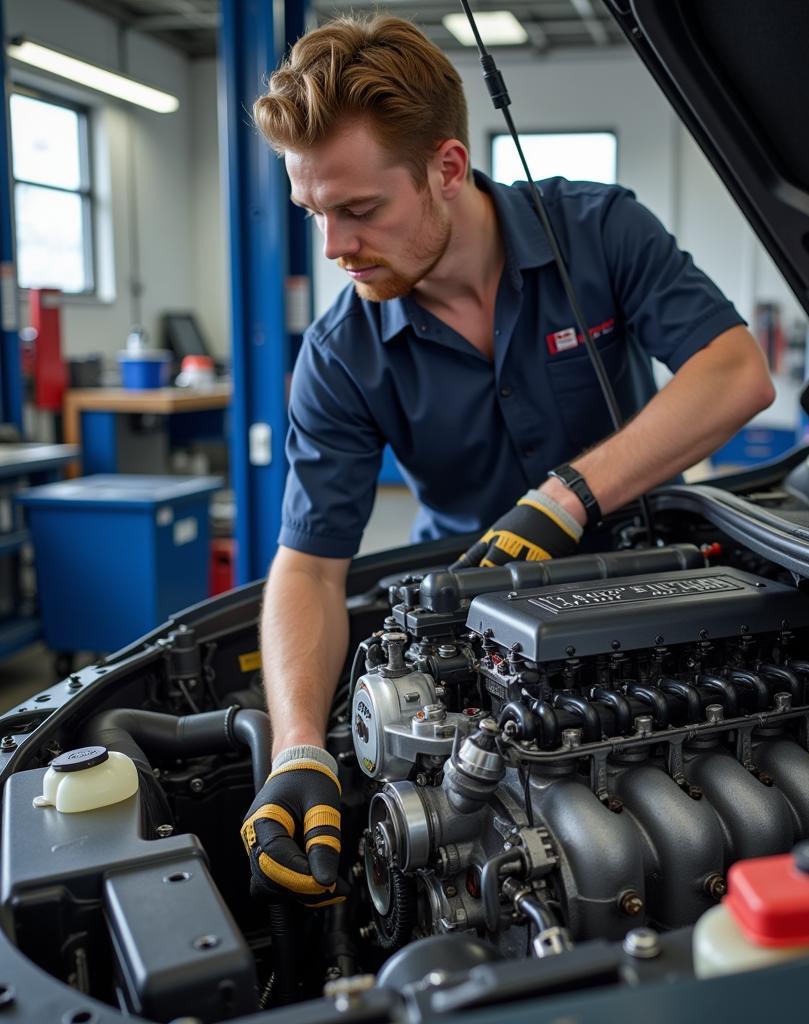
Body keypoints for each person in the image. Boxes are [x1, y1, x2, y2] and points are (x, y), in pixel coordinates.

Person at [240, 15, 775, 907]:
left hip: (666, 590)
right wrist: (298, 745)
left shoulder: (601, 230)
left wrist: (568, 496)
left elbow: (735, 373)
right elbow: (310, 569)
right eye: (315, 213)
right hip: (471, 623)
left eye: (360, 210)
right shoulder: (341, 354)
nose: (334, 248)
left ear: (447, 168)